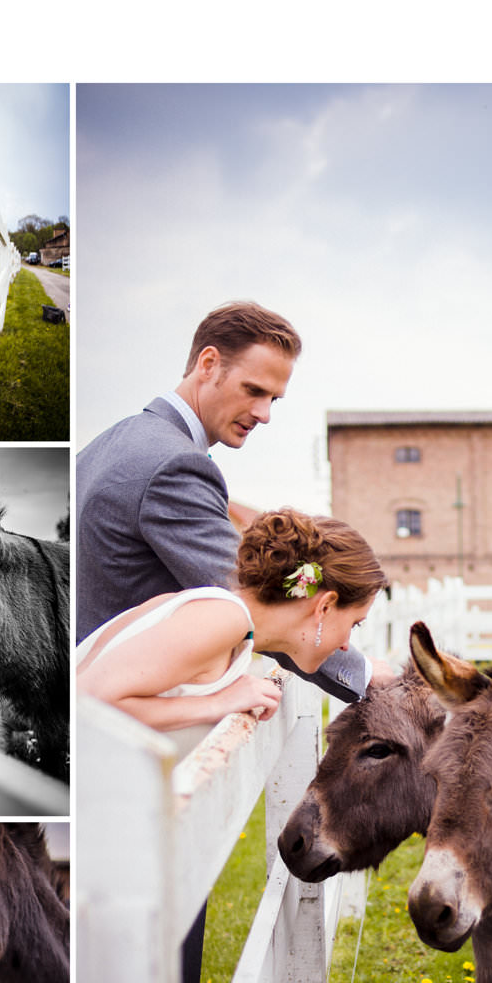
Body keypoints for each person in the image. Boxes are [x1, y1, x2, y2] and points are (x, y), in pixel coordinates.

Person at [75, 300, 395, 705]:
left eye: (274, 399)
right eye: (254, 390)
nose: (264, 414)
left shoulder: (108, 443)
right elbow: (257, 600)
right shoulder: (175, 465)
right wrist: (364, 674)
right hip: (114, 720)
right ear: (208, 364)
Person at [77, 508, 388, 749]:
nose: (347, 644)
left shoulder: (224, 620)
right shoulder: (223, 619)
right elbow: (88, 705)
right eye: (354, 624)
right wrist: (217, 704)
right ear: (324, 606)